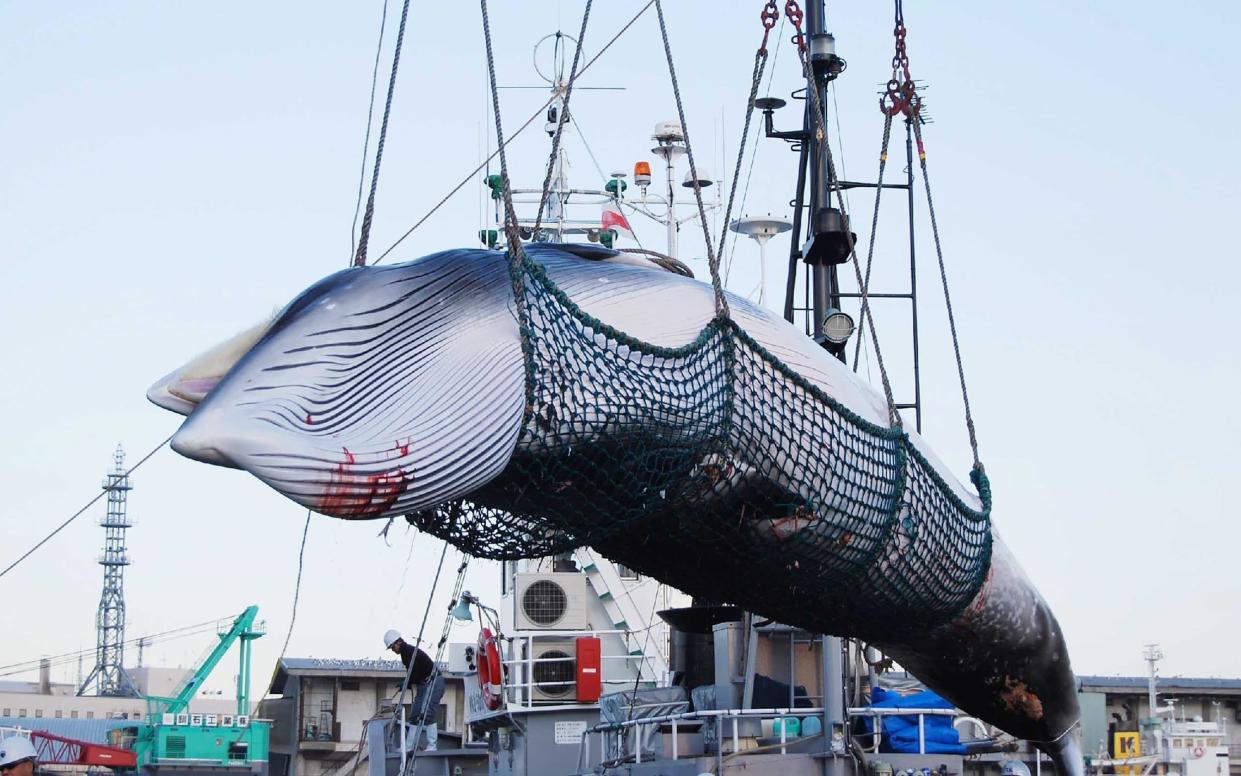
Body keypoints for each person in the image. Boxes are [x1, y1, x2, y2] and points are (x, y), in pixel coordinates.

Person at [384, 629, 444, 752]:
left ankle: (432, 746)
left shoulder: (410, 652)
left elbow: (414, 673)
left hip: (434, 682)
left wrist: (407, 683)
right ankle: (409, 746)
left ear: (398, 642)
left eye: (392, 647)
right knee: (415, 714)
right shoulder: (406, 654)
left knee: (428, 713)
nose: (392, 650)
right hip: (424, 684)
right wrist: (408, 683)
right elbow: (414, 674)